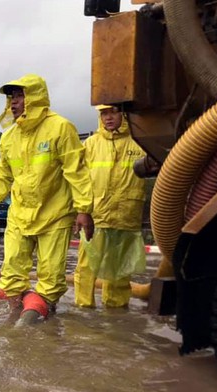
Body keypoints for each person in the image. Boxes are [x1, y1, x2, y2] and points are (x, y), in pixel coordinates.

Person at [0, 74, 94, 320]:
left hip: (55, 215)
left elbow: (77, 171)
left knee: (50, 278)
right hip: (20, 214)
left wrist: (84, 209)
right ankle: (15, 325)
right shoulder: (9, 137)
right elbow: (2, 174)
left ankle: (44, 321)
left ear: (34, 97)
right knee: (11, 274)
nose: (14, 102)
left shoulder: (60, 128)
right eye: (12, 97)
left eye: (19, 95)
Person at [73, 105, 147, 308]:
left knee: (120, 271)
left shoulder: (140, 142)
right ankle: (83, 309)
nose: (108, 117)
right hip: (95, 218)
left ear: (124, 113)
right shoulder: (90, 144)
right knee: (86, 269)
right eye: (103, 113)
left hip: (126, 216)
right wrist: (81, 211)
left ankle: (116, 311)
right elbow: (80, 181)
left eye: (113, 111)